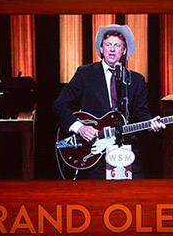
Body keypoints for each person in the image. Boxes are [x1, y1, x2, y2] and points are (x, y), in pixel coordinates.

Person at [53, 24, 164, 179]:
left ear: (124, 51)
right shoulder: (85, 74)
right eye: (108, 45)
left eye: (117, 45)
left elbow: (141, 114)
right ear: (101, 48)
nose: (112, 49)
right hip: (94, 152)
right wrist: (80, 128)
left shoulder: (136, 80)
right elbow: (59, 105)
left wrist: (151, 124)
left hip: (126, 151)